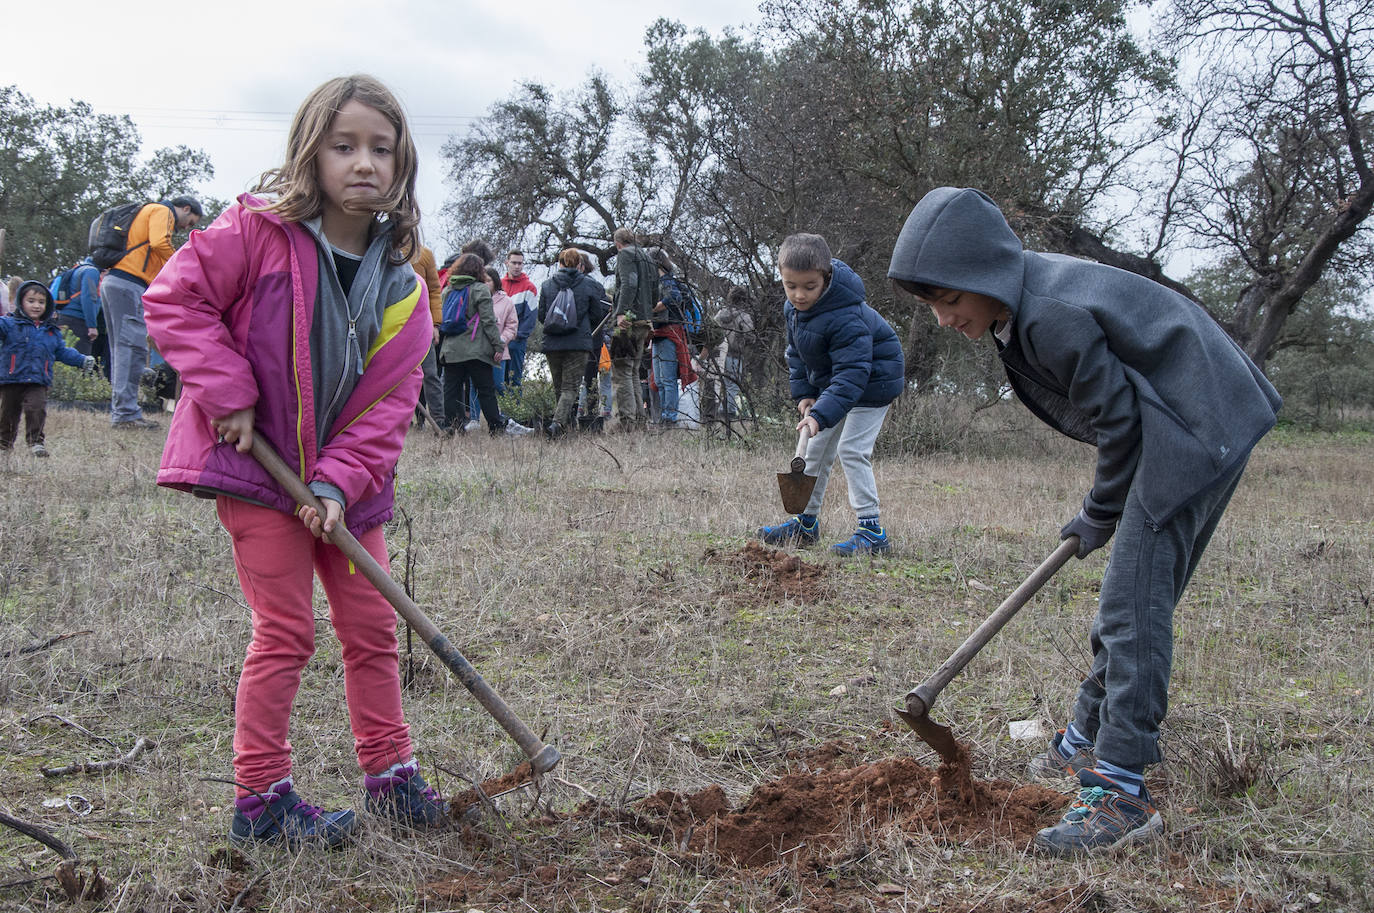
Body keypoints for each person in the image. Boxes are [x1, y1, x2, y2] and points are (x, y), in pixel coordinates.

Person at [888, 186, 1282, 855]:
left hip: (1190, 424)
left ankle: (1120, 790)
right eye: (932, 305)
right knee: (1127, 600)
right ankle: (1081, 741)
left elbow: (1121, 422)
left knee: (1134, 605)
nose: (943, 318)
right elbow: (1121, 416)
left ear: (985, 274)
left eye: (949, 300)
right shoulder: (1023, 303)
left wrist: (1099, 511)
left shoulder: (1051, 314)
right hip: (1183, 418)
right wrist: (1101, 512)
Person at [143, 75, 449, 849]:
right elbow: (175, 300)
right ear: (310, 153)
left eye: (381, 149)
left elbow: (386, 410)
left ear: (402, 165)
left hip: (347, 489)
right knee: (285, 631)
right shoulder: (254, 231)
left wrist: (336, 487)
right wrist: (228, 391)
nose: (363, 164)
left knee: (373, 626)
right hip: (258, 470)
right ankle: (262, 799)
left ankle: (390, 775)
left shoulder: (405, 292)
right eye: (344, 146)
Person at [757, 233, 904, 555]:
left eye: (809, 286)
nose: (799, 294)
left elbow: (854, 372)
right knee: (814, 451)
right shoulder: (793, 310)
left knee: (852, 450)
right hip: (837, 382)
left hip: (873, 380)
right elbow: (796, 353)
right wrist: (806, 394)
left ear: (826, 277)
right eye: (790, 285)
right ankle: (806, 525)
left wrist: (822, 415)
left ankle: (872, 532)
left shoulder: (845, 314)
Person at [102, 194, 202, 430]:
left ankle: (122, 411)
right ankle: (125, 414)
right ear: (185, 208)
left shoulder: (147, 211)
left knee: (121, 349)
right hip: (129, 284)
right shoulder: (162, 211)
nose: (186, 227)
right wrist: (182, 265)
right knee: (131, 349)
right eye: (190, 222)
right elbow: (159, 243)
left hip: (116, 282)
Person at [438, 253, 532, 437]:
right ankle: (496, 428)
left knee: (450, 390)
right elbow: (489, 322)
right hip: (476, 350)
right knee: (486, 390)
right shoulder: (480, 289)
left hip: (451, 350)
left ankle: (451, 426)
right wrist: (498, 345)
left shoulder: (448, 290)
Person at [0, 281, 95, 457]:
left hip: (38, 380)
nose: (36, 305)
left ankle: (36, 443)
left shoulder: (51, 332)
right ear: (21, 302)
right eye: (31, 301)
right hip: (11, 379)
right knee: (8, 414)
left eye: (41, 302)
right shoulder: (9, 324)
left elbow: (62, 352)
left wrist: (81, 360)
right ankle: (4, 445)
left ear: (47, 305)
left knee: (36, 409)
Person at [539, 248, 609, 436]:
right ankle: (557, 424)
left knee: (559, 388)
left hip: (553, 343)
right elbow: (596, 315)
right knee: (570, 388)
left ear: (559, 264)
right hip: (578, 344)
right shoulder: (588, 285)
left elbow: (541, 316)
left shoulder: (547, 285)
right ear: (580, 265)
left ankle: (565, 427)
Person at [609, 228, 657, 430]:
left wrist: (622, 312)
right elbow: (656, 289)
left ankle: (627, 421)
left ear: (618, 243)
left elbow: (629, 284)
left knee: (622, 370)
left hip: (629, 320)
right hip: (645, 320)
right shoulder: (647, 257)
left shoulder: (625, 255)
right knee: (634, 372)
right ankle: (639, 420)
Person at [647, 248, 696, 428]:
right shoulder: (658, 282)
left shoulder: (667, 282)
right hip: (658, 335)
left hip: (669, 333)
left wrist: (652, 309)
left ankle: (670, 418)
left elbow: (672, 297)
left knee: (667, 380)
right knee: (659, 380)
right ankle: (664, 417)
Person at [467, 266, 520, 431]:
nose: (485, 284)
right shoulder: (473, 298)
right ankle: (474, 420)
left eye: (488, 280)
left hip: (498, 353)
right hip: (476, 351)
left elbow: (511, 326)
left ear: (496, 282)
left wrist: (501, 342)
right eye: (482, 280)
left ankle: (505, 417)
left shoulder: (507, 302)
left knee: (498, 385)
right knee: (474, 385)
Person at [411, 243, 446, 432]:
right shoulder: (384, 247)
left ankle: (439, 420)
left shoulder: (424, 254)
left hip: (423, 324)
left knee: (430, 374)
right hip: (393, 324)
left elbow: (434, 290)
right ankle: (401, 419)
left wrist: (435, 325)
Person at [51, 256, 107, 369]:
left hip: (63, 319)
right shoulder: (92, 272)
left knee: (62, 362)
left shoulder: (77, 269)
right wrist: (92, 326)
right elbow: (89, 298)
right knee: (81, 364)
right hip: (79, 323)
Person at [500, 250, 537, 387]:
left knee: (514, 381)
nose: (517, 266)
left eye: (520, 263)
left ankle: (512, 409)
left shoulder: (529, 288)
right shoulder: (499, 284)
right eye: (514, 263)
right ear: (507, 263)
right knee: (499, 382)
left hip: (516, 341)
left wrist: (516, 336)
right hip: (499, 341)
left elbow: (530, 319)